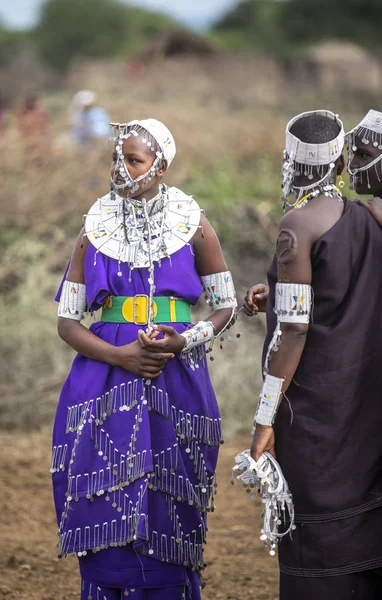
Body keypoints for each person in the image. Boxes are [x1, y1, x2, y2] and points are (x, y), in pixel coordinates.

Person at [52, 117, 237, 600]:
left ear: (161, 165)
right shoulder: (93, 227)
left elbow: (227, 306)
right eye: (117, 157)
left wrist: (182, 341)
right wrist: (120, 356)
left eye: (133, 159)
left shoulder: (193, 223)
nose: (121, 168)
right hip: (104, 380)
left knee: (169, 502)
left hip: (174, 377)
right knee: (103, 500)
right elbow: (68, 322)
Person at [242, 110, 382, 599]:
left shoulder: (297, 225)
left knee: (315, 524)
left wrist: (265, 417)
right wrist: (274, 293)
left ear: (289, 162)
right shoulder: (369, 216)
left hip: (314, 408)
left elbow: (296, 329)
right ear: (341, 161)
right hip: (363, 404)